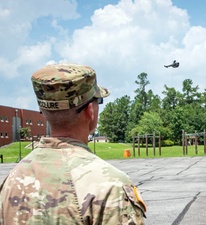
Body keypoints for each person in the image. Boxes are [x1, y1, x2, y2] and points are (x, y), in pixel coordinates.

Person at [0, 64, 146, 224]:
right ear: (90, 110)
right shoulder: (110, 186)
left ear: (43, 111)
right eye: (99, 101)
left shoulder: (10, 182)